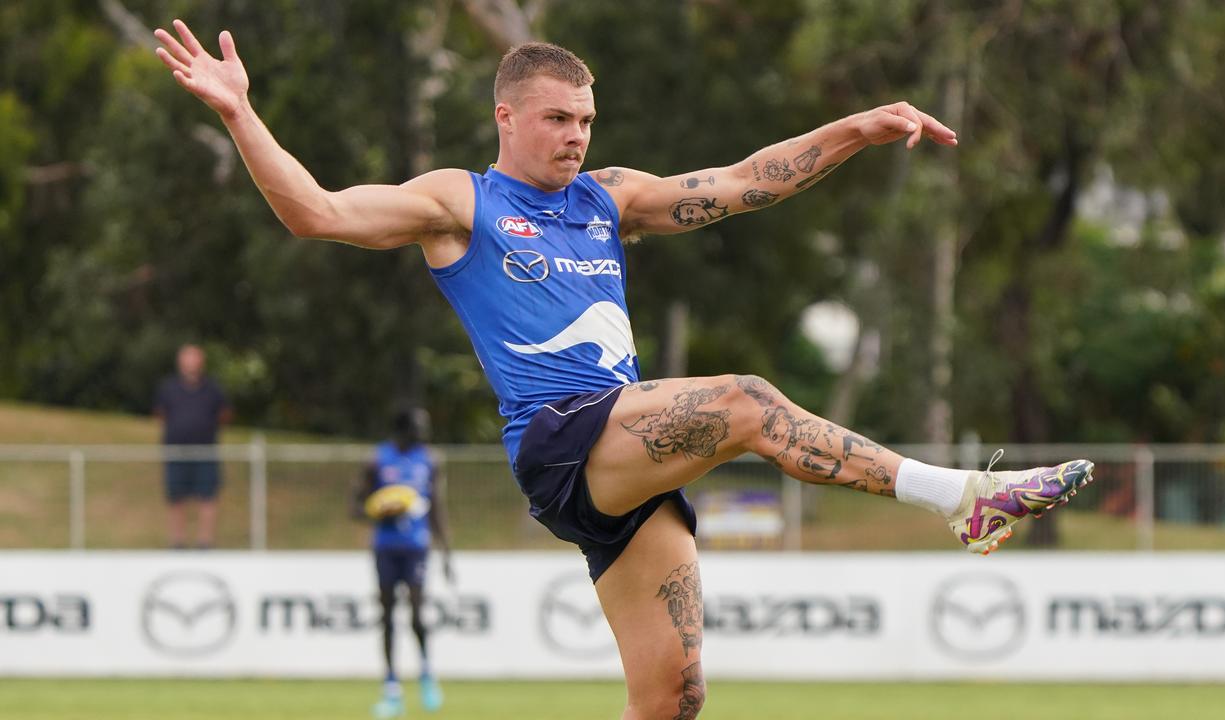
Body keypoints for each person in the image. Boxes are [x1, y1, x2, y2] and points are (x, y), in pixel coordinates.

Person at [154, 22, 1095, 719]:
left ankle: (961, 502)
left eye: (588, 120)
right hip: (563, 439)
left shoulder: (611, 199)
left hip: (628, 458)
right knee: (747, 402)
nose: (577, 136)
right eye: (558, 119)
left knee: (673, 700)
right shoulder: (459, 202)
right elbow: (316, 212)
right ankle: (962, 498)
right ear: (507, 116)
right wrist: (240, 112)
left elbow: (742, 181)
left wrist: (854, 128)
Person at [351, 407, 453, 717]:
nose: (425, 432)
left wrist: (447, 551)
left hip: (417, 547)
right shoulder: (377, 459)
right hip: (386, 547)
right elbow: (354, 505)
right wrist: (379, 511)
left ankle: (425, 673)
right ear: (404, 428)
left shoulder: (430, 460)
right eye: (420, 426)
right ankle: (391, 687)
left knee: (417, 613)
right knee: (387, 615)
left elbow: (437, 508)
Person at [153, 343, 230, 550]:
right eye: (187, 358)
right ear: (180, 362)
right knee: (175, 496)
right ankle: (177, 542)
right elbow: (161, 414)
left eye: (195, 358)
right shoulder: (169, 387)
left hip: (205, 451)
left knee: (208, 495)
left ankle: (205, 542)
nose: (191, 363)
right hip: (176, 451)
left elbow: (224, 414)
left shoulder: (212, 388)